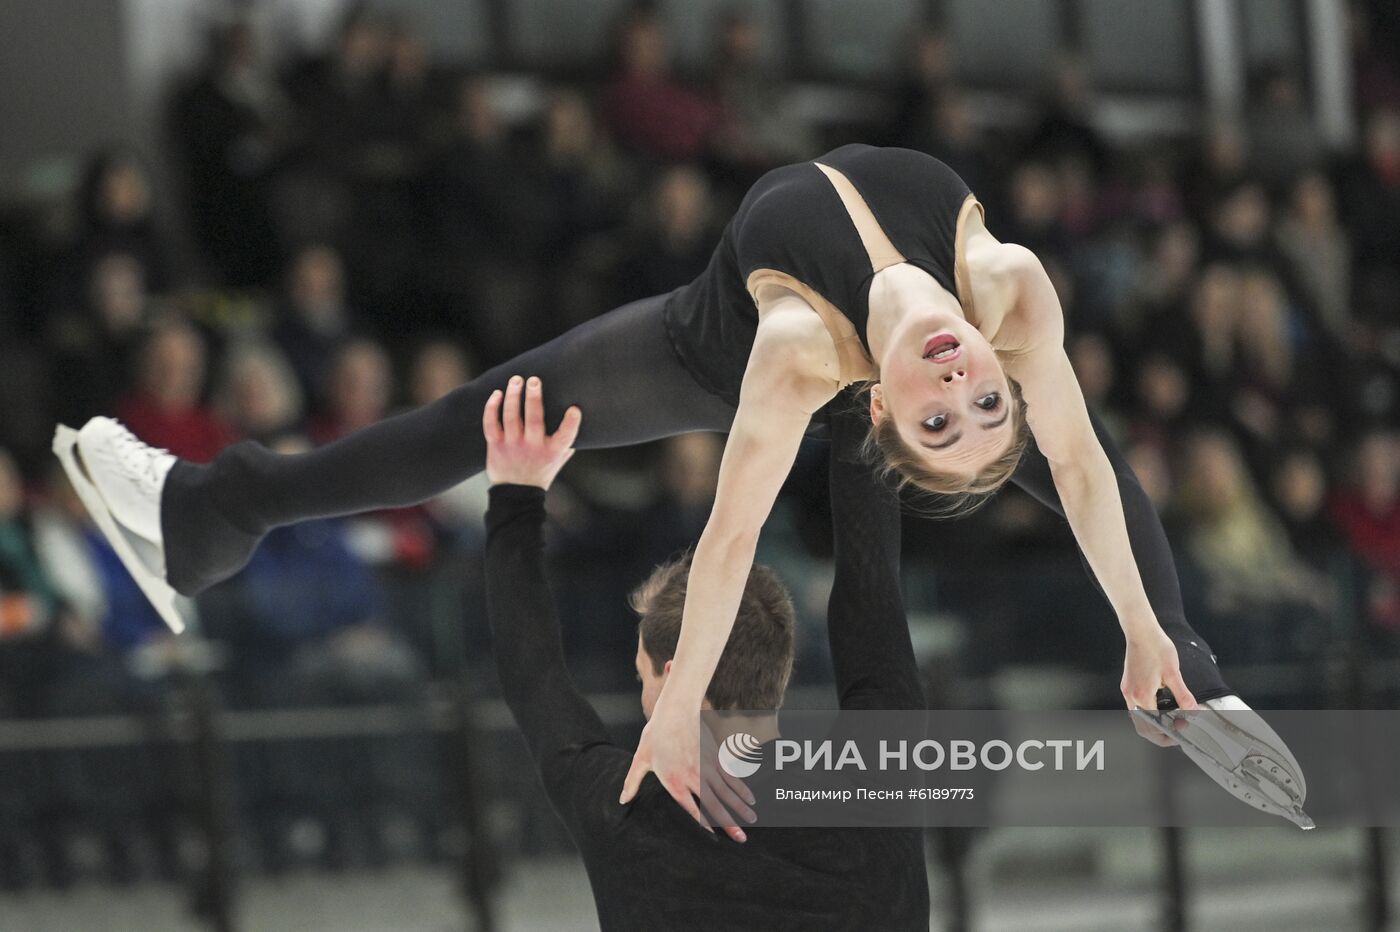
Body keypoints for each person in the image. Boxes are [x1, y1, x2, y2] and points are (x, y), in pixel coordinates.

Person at [63, 143, 1253, 827]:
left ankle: (201, 513)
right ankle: (204, 520)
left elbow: (730, 539)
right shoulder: (1014, 293)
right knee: (1060, 451)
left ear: (879, 408)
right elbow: (1085, 465)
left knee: (481, 424)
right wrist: (1151, 631)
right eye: (983, 401)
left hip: (703, 344)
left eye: (936, 420)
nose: (960, 387)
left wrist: (678, 704)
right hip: (791, 304)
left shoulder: (801, 359)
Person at [481, 378, 928, 930]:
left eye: (641, 675)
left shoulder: (624, 809)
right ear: (779, 670)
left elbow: (533, 672)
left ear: (674, 677)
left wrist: (515, 498)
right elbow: (873, 592)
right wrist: (861, 395)